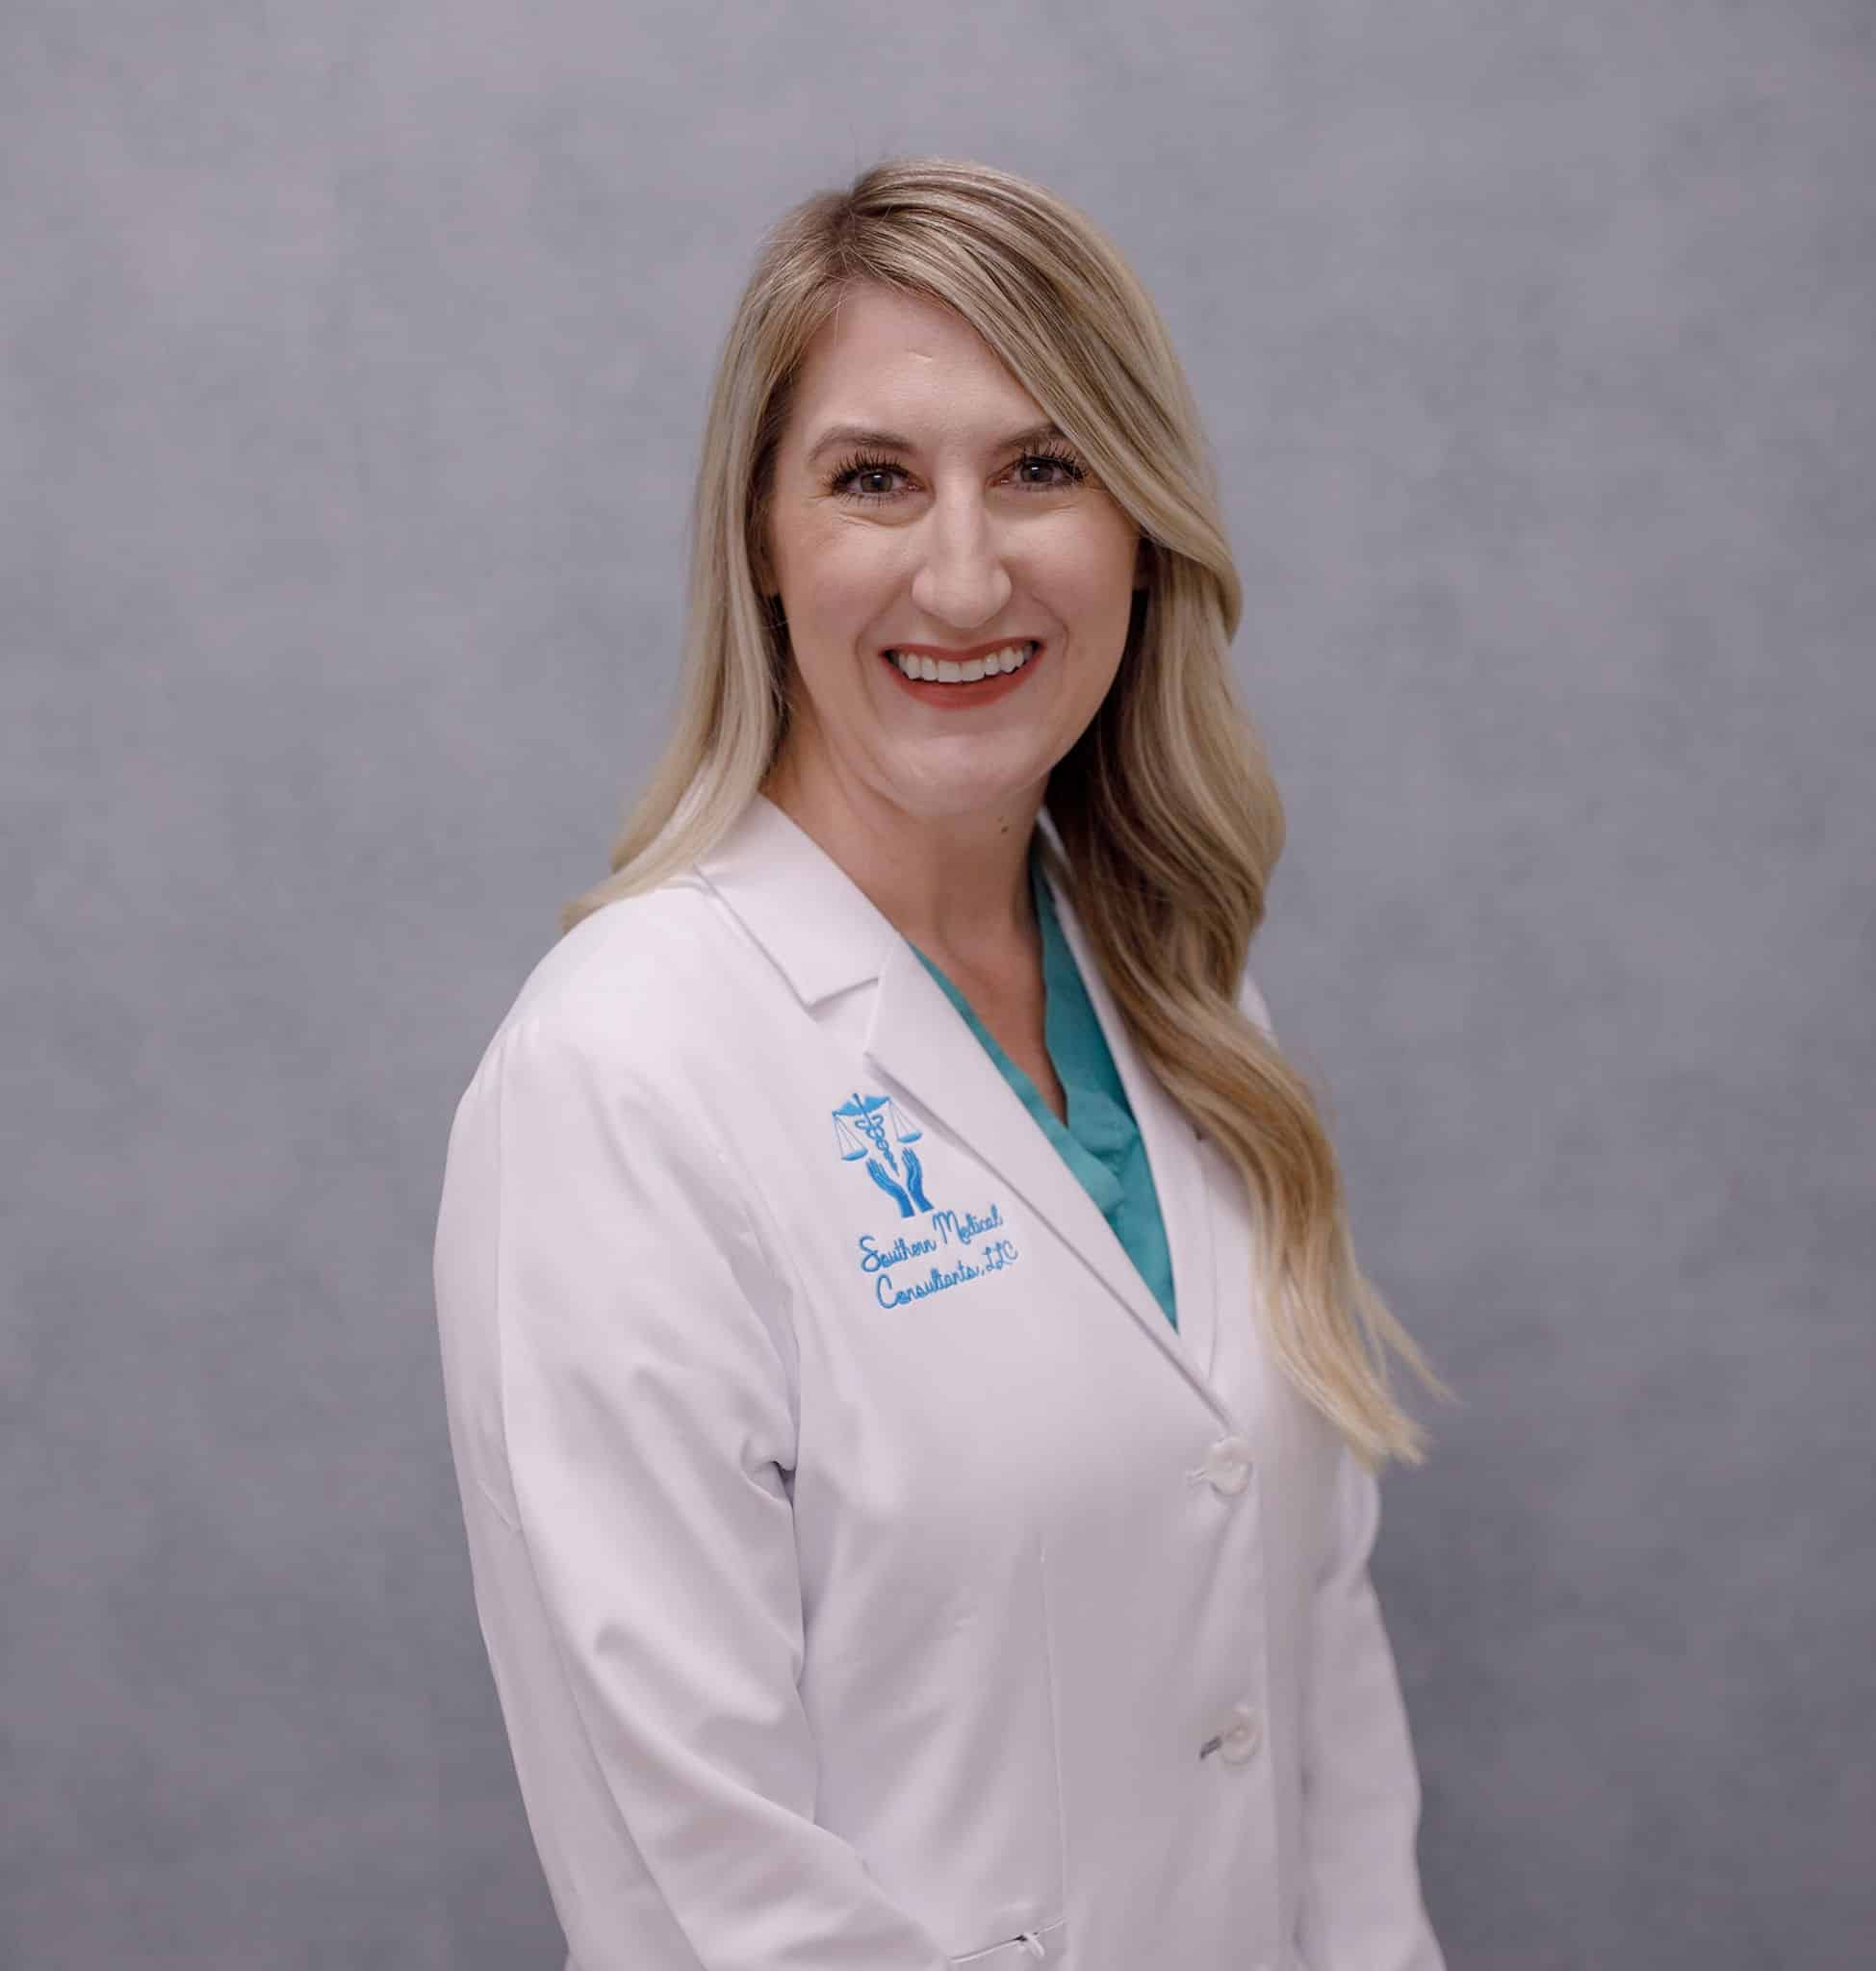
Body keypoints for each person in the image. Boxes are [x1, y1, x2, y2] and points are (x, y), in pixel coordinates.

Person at [432, 154, 1450, 1971]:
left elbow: (1314, 1687)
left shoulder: (1188, 1016)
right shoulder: (623, 1077)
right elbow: (706, 1871)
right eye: (874, 479)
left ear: (1139, 522)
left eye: (1042, 469)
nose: (964, 573)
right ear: (761, 540)